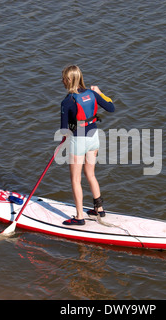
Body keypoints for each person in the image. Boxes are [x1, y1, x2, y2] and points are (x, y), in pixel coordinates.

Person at [60, 65, 115, 225]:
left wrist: (68, 130)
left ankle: (79, 217)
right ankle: (99, 208)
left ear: (69, 80)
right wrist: (99, 92)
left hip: (79, 141)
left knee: (75, 180)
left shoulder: (67, 101)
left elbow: (64, 130)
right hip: (94, 139)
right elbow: (111, 107)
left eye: (63, 78)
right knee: (90, 174)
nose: (62, 81)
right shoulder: (92, 94)